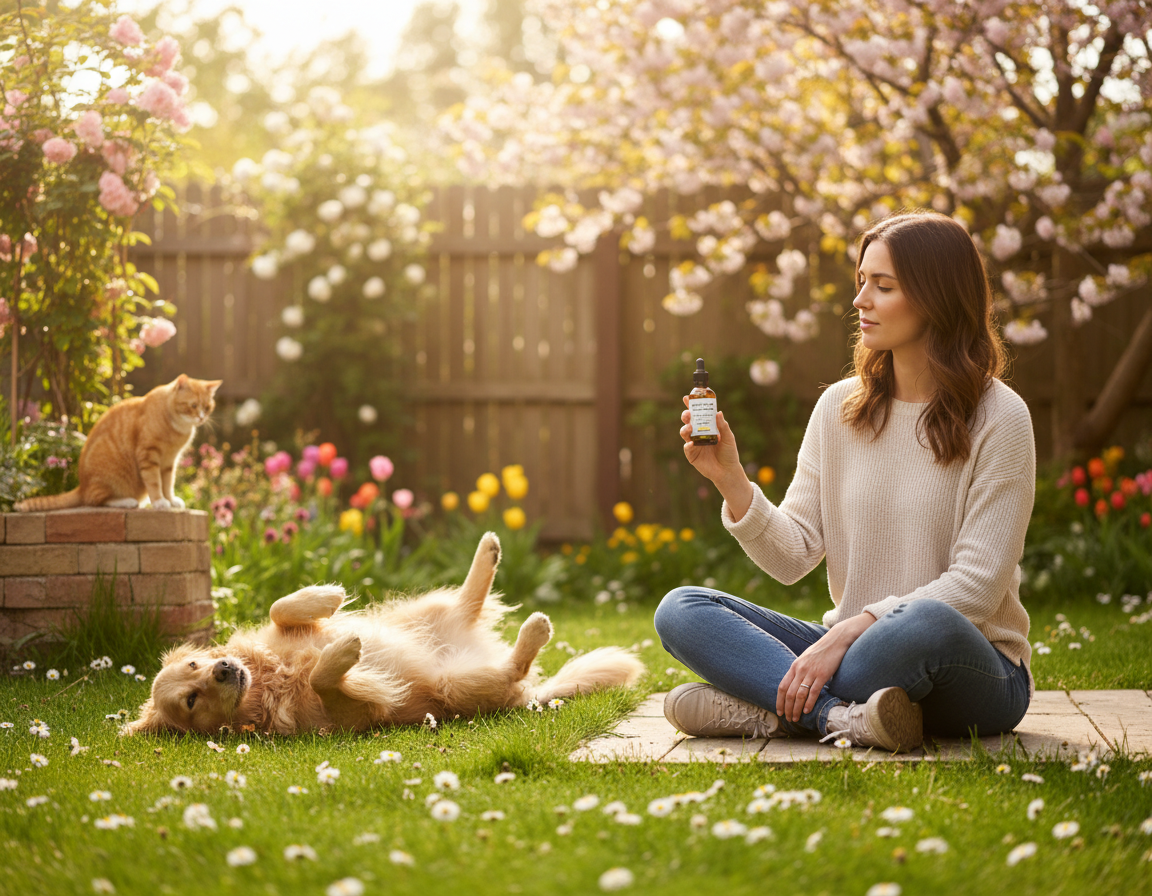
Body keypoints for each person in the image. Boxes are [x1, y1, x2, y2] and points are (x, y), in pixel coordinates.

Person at [653, 209, 1035, 752]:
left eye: (883, 286)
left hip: (969, 662)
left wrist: (854, 629)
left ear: (937, 297)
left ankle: (775, 707)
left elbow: (976, 585)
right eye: (861, 283)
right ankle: (840, 716)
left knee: (923, 622)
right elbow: (793, 556)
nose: (860, 302)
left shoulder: (1001, 416)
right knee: (681, 610)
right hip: (855, 654)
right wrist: (730, 478)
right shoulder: (840, 408)